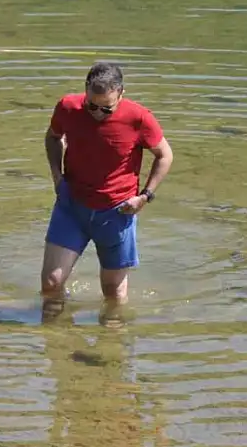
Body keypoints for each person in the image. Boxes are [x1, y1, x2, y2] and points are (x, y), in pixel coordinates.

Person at [40, 61, 174, 319]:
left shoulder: (139, 118)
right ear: (85, 91)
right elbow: (52, 137)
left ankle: (112, 349)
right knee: (51, 283)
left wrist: (145, 196)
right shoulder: (68, 107)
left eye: (106, 108)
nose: (97, 113)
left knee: (113, 293)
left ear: (121, 94)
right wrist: (57, 178)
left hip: (117, 212)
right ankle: (55, 344)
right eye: (91, 105)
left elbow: (165, 155)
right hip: (72, 206)